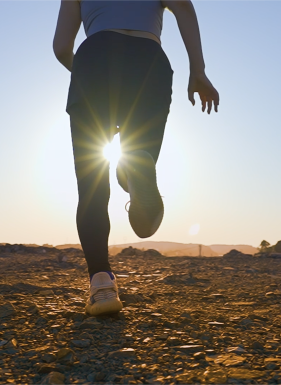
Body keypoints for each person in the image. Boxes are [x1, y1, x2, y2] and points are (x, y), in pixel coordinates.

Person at [53, 0, 219, 315]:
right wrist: (198, 70)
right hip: (149, 61)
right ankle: (134, 168)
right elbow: (183, 7)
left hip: (95, 57)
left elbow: (62, 46)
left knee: (92, 186)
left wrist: (89, 76)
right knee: (138, 153)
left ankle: (102, 285)